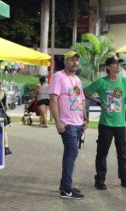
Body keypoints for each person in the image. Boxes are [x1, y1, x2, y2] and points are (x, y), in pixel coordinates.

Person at [84, 55, 126, 190]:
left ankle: (125, 180)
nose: (118, 65)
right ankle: (99, 180)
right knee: (102, 153)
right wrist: (98, 101)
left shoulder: (124, 81)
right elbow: (86, 92)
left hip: (120, 124)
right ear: (108, 67)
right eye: (115, 63)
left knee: (122, 153)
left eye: (119, 63)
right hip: (105, 124)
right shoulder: (102, 82)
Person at [49, 51, 87, 199]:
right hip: (68, 124)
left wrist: (85, 118)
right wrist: (58, 121)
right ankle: (66, 189)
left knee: (72, 155)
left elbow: (81, 100)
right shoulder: (59, 77)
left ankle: (65, 184)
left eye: (77, 60)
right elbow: (53, 100)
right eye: (72, 60)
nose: (75, 63)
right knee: (71, 154)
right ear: (65, 61)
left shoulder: (77, 79)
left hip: (78, 124)